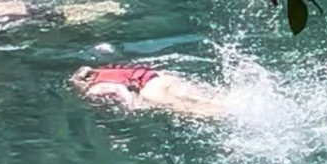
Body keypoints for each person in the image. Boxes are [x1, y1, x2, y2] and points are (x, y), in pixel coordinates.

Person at [69, 62, 233, 122]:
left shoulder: (94, 88)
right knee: (196, 97)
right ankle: (230, 103)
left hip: (150, 90)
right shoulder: (103, 70)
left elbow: (118, 88)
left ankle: (229, 115)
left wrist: (129, 106)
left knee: (184, 109)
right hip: (159, 77)